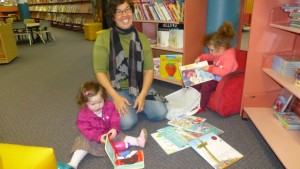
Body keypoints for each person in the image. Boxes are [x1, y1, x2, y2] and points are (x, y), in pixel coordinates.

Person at [93, 0, 167, 130]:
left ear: (132, 12)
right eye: (119, 12)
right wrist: (115, 97)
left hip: (139, 85)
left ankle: (134, 102)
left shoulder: (142, 38)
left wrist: (143, 94)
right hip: (116, 88)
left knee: (160, 113)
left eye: (127, 10)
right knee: (127, 123)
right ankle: (118, 104)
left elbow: (148, 70)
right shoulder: (103, 38)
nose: (125, 15)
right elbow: (100, 72)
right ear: (112, 16)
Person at [67, 81, 147, 169]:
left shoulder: (109, 105)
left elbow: (115, 118)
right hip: (94, 136)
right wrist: (97, 137)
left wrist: (114, 128)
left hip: (108, 132)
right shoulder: (83, 115)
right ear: (85, 103)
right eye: (93, 104)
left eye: (100, 102)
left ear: (104, 98)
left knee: (121, 135)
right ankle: (73, 163)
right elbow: (86, 129)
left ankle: (138, 141)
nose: (97, 106)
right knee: (82, 143)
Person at [193, 21, 238, 113]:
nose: (210, 52)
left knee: (206, 85)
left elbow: (225, 72)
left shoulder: (229, 57)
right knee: (197, 80)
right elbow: (210, 56)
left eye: (211, 50)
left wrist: (209, 69)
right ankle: (192, 99)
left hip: (224, 81)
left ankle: (202, 106)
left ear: (221, 48)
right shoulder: (219, 52)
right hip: (216, 77)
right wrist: (201, 57)